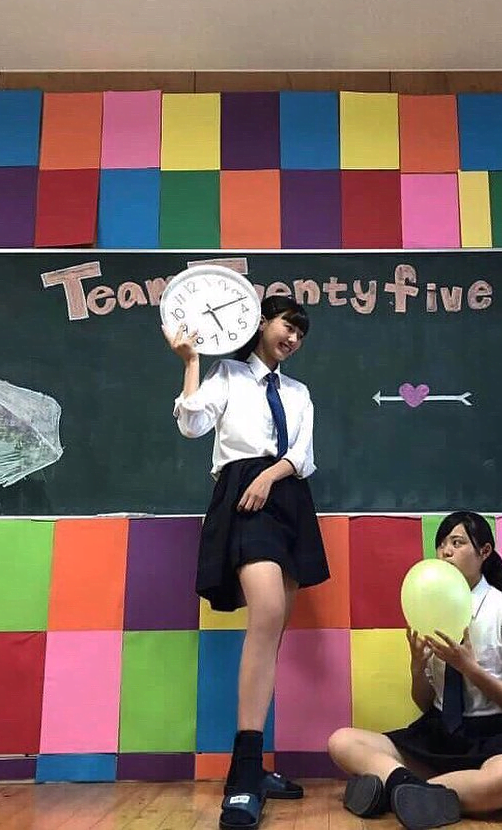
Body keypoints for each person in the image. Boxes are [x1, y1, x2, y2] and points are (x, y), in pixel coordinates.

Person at [164, 295, 330, 830]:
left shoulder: (299, 392)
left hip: (287, 495)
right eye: (288, 325)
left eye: (301, 333)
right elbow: (192, 425)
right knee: (266, 613)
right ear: (261, 323)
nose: (294, 338)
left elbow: (302, 454)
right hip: (242, 493)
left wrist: (271, 475)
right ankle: (243, 772)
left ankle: (255, 766)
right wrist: (191, 362)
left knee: (274, 630)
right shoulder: (228, 375)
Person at [327, 511, 502, 830]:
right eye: (441, 545)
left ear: (484, 552)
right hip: (441, 733)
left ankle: (394, 789)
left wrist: (470, 669)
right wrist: (417, 667)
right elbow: (426, 703)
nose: (445, 552)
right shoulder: (430, 608)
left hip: (496, 736)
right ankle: (413, 791)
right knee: (342, 741)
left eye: (457, 543)